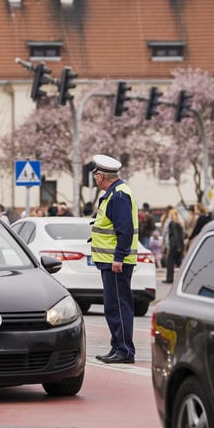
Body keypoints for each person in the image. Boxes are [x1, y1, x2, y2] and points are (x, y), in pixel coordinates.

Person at [89, 154, 138, 365]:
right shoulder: (114, 194)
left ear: (101, 176)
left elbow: (124, 230)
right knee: (112, 306)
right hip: (110, 262)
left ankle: (125, 350)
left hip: (115, 264)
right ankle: (118, 346)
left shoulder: (118, 195)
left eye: (95, 174)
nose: (94, 178)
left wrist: (118, 257)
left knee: (118, 306)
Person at [163, 208, 185, 284]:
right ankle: (184, 278)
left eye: (170, 214)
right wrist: (181, 246)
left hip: (174, 245)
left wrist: (178, 246)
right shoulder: (178, 223)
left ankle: (169, 278)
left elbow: (175, 235)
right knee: (179, 262)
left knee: (170, 262)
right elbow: (181, 235)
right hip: (178, 245)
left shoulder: (173, 224)